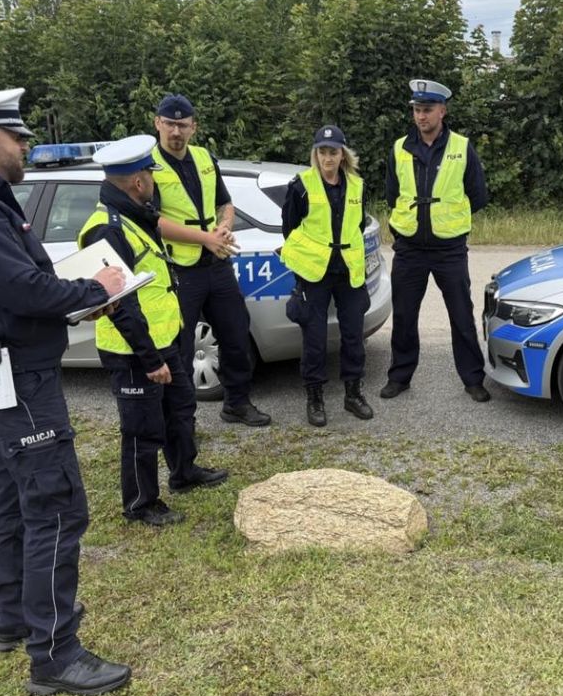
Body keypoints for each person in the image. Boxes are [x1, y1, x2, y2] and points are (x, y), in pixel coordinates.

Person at [0, 88, 131, 696]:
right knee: (57, 505)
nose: (25, 149)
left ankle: (11, 619)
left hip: (5, 371)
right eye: (18, 139)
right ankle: (55, 654)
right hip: (14, 376)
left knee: (12, 497)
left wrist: (72, 303)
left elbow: (21, 284)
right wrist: (97, 290)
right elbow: (24, 290)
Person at [78, 135, 229, 527]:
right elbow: (120, 304)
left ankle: (184, 472)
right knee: (141, 428)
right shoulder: (106, 229)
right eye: (150, 172)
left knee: (180, 410)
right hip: (134, 352)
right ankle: (141, 503)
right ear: (138, 181)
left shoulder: (136, 215)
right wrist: (150, 360)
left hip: (166, 340)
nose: (153, 180)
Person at [151, 94, 271, 427]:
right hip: (179, 272)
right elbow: (155, 221)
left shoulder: (204, 157)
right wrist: (207, 238)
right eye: (170, 124)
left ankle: (237, 404)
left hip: (216, 266)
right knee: (180, 350)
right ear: (157, 123)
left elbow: (225, 203)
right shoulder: (147, 165)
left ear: (194, 127)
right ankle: (181, 422)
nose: (176, 131)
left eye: (183, 125)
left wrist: (225, 227)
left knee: (235, 336)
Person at [381, 79, 490, 403]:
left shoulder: (461, 147)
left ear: (442, 111)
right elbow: (392, 195)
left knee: (460, 315)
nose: (420, 116)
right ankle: (399, 377)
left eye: (427, 110)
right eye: (416, 110)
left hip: (449, 249)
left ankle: (473, 379)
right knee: (403, 316)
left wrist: (447, 215)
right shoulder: (400, 148)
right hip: (410, 247)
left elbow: (478, 195)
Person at [280, 125, 374, 426]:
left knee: (353, 336)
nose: (327, 158)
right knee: (315, 339)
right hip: (314, 273)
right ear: (315, 154)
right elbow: (290, 228)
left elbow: (356, 224)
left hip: (348, 270)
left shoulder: (356, 185)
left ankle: (353, 393)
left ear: (342, 154)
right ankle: (315, 397)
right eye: (322, 152)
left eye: (333, 152)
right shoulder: (301, 185)